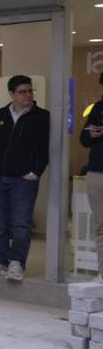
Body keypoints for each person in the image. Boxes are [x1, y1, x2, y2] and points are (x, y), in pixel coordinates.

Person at [0, 75, 49, 283]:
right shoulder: (0, 114)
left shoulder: (41, 116)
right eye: (22, 92)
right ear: (12, 94)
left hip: (23, 179)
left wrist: (35, 172)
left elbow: (44, 149)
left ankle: (16, 262)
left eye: (30, 91)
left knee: (21, 223)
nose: (27, 95)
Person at [80, 73, 103, 284]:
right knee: (101, 225)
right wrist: (91, 133)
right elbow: (83, 139)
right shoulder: (97, 108)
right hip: (97, 172)